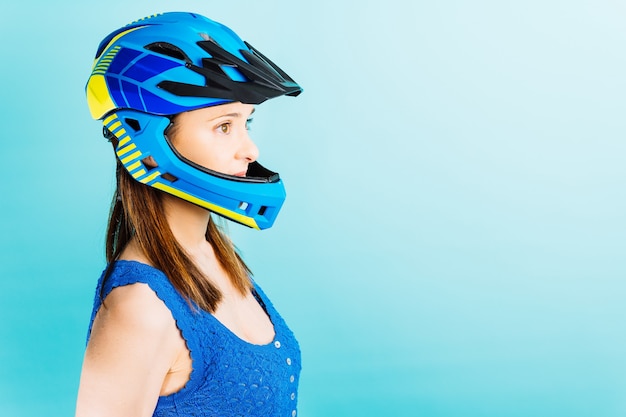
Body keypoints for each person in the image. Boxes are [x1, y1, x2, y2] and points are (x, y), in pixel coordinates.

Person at [75, 12, 303, 417]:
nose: (250, 150)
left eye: (246, 122)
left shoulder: (218, 254)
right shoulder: (139, 307)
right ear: (148, 140)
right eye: (223, 127)